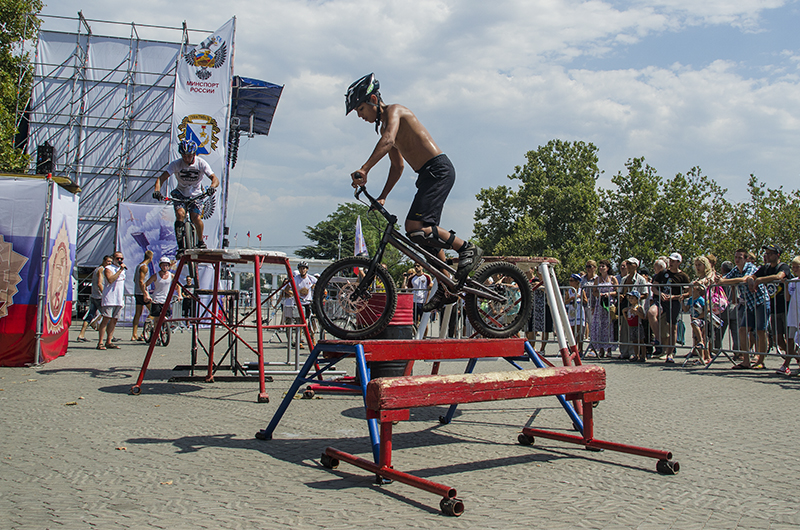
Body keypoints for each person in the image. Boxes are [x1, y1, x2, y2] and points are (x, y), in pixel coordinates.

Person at [345, 73, 482, 312]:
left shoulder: (394, 112)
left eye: (361, 109)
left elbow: (388, 140)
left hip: (438, 170)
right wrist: (383, 195)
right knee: (423, 239)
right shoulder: (383, 128)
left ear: (374, 99)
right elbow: (397, 166)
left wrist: (365, 169)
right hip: (426, 176)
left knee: (413, 227)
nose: (360, 115)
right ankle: (447, 287)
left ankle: (466, 248)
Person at [152, 139, 220, 252]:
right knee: (180, 214)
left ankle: (200, 241)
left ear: (194, 154)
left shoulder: (201, 163)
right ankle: (180, 246)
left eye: (189, 156)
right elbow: (161, 178)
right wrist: (157, 190)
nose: (186, 159)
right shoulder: (176, 164)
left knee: (195, 217)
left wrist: (212, 187)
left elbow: (215, 178)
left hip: (196, 194)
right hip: (180, 192)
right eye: (184, 156)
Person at [718, 248, 769, 369]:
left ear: (746, 259)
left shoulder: (750, 267)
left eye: (740, 258)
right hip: (749, 304)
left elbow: (744, 279)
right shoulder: (735, 269)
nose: (737, 260)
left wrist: (724, 281)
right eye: (735, 257)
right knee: (742, 330)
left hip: (760, 301)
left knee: (761, 331)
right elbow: (725, 278)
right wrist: (719, 279)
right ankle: (746, 360)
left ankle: (760, 361)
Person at [748, 244, 790, 374]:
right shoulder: (765, 268)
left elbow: (779, 276)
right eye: (766, 253)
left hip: (787, 308)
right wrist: (751, 280)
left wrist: (760, 280)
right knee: (778, 339)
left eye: (770, 253)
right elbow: (752, 276)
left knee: (791, 337)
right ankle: (792, 355)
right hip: (774, 308)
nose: (767, 256)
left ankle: (788, 361)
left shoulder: (783, 267)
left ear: (777, 255)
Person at [651, 252, 690, 363]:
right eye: (670, 261)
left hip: (674, 303)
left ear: (679, 262)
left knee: (672, 327)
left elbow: (688, 292)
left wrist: (675, 296)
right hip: (661, 302)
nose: (671, 263)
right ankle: (659, 343)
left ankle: (670, 353)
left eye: (674, 261)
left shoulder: (683, 276)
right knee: (654, 315)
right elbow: (654, 287)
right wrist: (659, 293)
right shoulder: (663, 273)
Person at [76, 255, 112, 342]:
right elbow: (100, 283)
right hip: (99, 297)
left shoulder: (97, 269)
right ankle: (109, 336)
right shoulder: (101, 270)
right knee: (107, 316)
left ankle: (81, 334)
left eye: (110, 262)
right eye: (108, 261)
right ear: (103, 261)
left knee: (90, 315)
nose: (109, 263)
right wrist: (105, 294)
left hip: (94, 296)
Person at [619, 257, 648, 359]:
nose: (628, 266)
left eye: (630, 264)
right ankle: (624, 351)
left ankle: (635, 353)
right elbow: (621, 292)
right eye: (627, 264)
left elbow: (645, 293)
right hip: (626, 307)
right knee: (625, 329)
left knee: (637, 332)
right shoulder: (624, 279)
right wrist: (622, 296)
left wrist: (636, 299)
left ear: (636, 265)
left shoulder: (641, 279)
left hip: (636, 308)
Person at [589, 259, 618, 358]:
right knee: (600, 327)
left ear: (608, 268)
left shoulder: (612, 278)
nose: (601, 268)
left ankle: (609, 350)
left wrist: (608, 294)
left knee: (609, 327)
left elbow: (617, 291)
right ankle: (600, 349)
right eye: (600, 266)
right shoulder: (597, 279)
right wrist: (599, 295)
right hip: (600, 305)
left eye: (603, 266)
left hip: (609, 304)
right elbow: (594, 292)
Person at [97, 251, 126, 350]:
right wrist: (119, 271)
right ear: (113, 258)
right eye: (117, 258)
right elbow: (110, 280)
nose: (119, 260)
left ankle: (109, 341)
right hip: (109, 298)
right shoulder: (108, 268)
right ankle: (100, 342)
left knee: (114, 320)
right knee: (106, 319)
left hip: (118, 299)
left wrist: (121, 270)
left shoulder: (122, 270)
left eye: (121, 259)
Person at [144, 257, 175, 325]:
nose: (165, 267)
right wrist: (147, 295)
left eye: (166, 265)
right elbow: (145, 285)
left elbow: (177, 285)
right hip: (156, 299)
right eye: (163, 265)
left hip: (166, 300)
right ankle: (156, 333)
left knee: (166, 317)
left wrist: (180, 295)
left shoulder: (171, 276)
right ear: (160, 266)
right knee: (157, 318)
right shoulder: (155, 276)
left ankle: (164, 331)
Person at [684, 283, 710, 364]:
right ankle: (705, 357)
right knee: (696, 340)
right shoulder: (690, 299)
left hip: (701, 321)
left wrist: (698, 318)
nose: (688, 291)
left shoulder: (701, 299)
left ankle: (703, 357)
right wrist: (681, 301)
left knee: (701, 339)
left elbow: (707, 310)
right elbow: (685, 310)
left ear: (694, 289)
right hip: (694, 321)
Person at [131, 250, 153, 341]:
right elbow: (140, 281)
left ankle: (134, 334)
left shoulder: (138, 266)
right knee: (153, 312)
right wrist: (144, 292)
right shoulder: (144, 267)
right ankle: (143, 332)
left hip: (137, 292)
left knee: (138, 313)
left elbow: (135, 280)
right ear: (150, 258)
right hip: (142, 293)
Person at [784, 256, 800, 375]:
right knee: (790, 339)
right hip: (793, 315)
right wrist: (785, 285)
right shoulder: (793, 282)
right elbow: (788, 298)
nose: (795, 269)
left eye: (797, 267)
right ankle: (787, 364)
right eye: (793, 267)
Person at [623, 290, 647, 362]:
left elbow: (643, 316)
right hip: (631, 326)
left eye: (633, 298)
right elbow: (626, 316)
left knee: (641, 341)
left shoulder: (638, 307)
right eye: (630, 298)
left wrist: (636, 312)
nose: (630, 299)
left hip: (638, 326)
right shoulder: (629, 308)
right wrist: (624, 313)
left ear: (637, 299)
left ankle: (643, 355)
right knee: (634, 341)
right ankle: (636, 355)